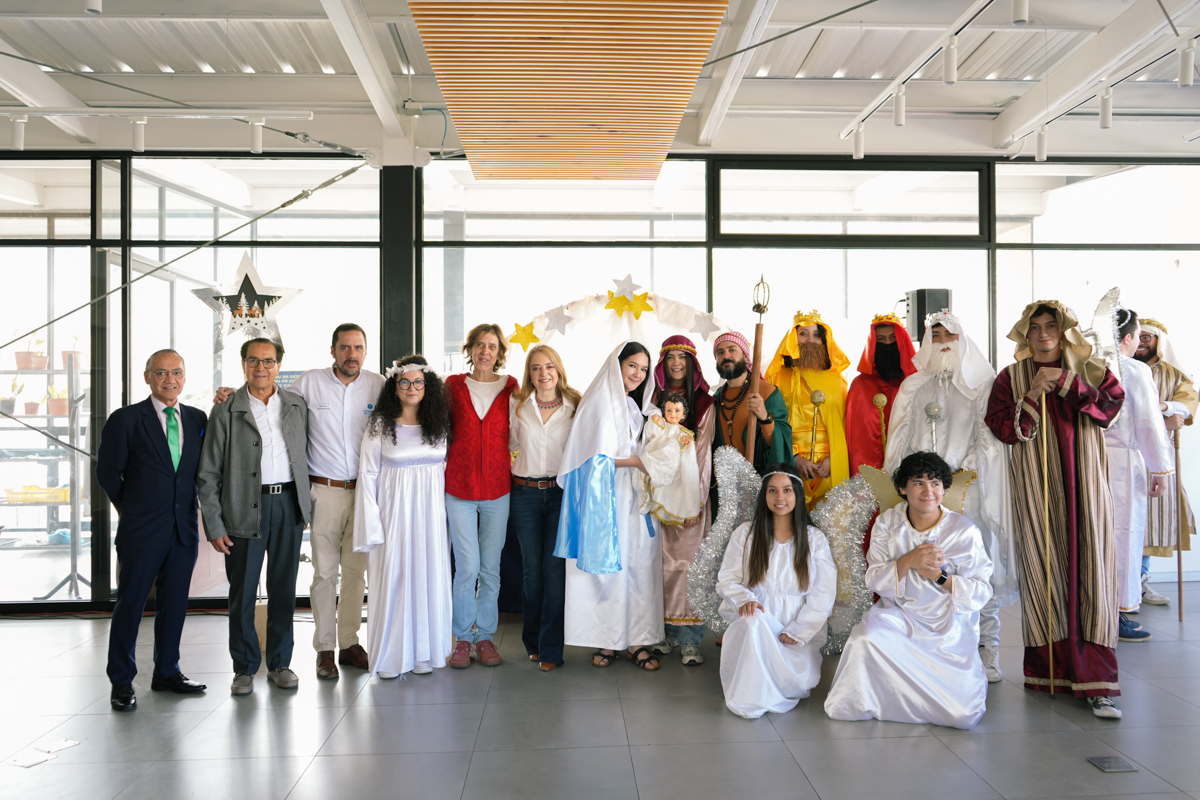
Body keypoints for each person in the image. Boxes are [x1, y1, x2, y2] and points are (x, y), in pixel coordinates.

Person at [215, 324, 384, 679]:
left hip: (366, 493)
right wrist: (230, 393)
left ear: (365, 351)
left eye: (358, 347)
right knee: (324, 574)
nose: (351, 354)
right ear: (333, 350)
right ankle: (325, 649)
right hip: (323, 491)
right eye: (344, 347)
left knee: (356, 573)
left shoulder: (378, 385)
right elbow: (266, 393)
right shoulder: (309, 383)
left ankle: (350, 642)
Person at [985, 300, 1126, 718]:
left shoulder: (1091, 369)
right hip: (1037, 487)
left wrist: (1067, 382)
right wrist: (1031, 395)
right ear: (1025, 334)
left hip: (1086, 484)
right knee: (1045, 571)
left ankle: (1097, 682)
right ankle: (1052, 672)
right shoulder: (1010, 377)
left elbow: (1110, 411)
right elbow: (1004, 429)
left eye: (1051, 325)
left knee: (1092, 573)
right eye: (1035, 327)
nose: (1044, 333)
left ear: (1064, 331)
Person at [883, 311, 1016, 683]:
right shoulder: (913, 385)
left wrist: (962, 472)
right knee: (924, 563)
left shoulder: (982, 384)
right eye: (936, 335)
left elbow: (988, 440)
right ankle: (927, 644)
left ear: (962, 339)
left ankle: (986, 647)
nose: (942, 341)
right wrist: (905, 479)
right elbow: (899, 440)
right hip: (922, 496)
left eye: (949, 335)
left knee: (974, 567)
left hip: (967, 490)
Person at [825, 452, 994, 730]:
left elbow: (982, 590)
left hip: (947, 626)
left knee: (963, 715)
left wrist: (940, 577)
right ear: (903, 488)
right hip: (900, 616)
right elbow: (874, 579)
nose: (928, 492)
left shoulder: (964, 531)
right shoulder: (888, 524)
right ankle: (886, 700)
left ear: (944, 488)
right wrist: (907, 561)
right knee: (864, 638)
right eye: (918, 483)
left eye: (935, 483)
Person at [198, 338, 312, 696]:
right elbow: (208, 473)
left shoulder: (296, 405)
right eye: (253, 361)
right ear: (243, 364)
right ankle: (244, 667)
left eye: (268, 361)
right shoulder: (226, 409)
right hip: (243, 507)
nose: (260, 367)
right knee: (243, 593)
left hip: (288, 506)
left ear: (278, 365)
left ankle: (280, 663)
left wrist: (306, 507)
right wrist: (214, 524)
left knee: (284, 590)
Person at [97, 349, 208, 711]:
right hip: (141, 530)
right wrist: (130, 509)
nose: (169, 379)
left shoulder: (197, 418)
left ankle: (167, 672)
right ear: (147, 377)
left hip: (183, 529)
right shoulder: (126, 419)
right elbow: (107, 473)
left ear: (184, 376)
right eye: (161, 373)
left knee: (174, 605)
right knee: (130, 605)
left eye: (176, 372)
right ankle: (121, 680)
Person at [555, 341, 665, 671]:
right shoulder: (597, 403)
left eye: (644, 369)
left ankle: (637, 639)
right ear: (617, 365)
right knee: (612, 572)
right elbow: (591, 457)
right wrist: (639, 462)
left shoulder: (635, 406)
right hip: (605, 498)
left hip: (636, 496)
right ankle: (608, 639)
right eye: (632, 365)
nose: (638, 373)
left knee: (640, 566)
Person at [353, 356, 453, 677]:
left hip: (430, 516)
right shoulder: (380, 426)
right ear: (394, 387)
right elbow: (367, 474)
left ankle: (423, 653)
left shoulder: (438, 425)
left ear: (428, 386)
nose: (412, 387)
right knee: (394, 579)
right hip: (392, 514)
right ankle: (391, 658)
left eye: (418, 382)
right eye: (405, 382)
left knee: (427, 576)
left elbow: (444, 471)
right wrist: (371, 523)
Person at [716, 464, 836, 719]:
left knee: (792, 681)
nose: (780, 497)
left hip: (794, 623)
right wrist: (745, 599)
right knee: (753, 621)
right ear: (764, 495)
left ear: (798, 495)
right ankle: (752, 695)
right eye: (772, 490)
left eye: (787, 490)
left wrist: (799, 631)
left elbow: (823, 593)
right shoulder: (746, 534)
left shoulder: (814, 539)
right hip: (758, 616)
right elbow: (729, 577)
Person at [444, 323, 519, 668]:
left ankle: (485, 636)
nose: (485, 351)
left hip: (497, 489)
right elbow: (438, 430)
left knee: (490, 569)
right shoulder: (452, 386)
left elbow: (519, 434)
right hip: (458, 489)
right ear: (470, 349)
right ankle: (462, 638)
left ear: (499, 352)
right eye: (479, 345)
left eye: (492, 346)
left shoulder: (511, 387)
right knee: (467, 568)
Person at [508, 344, 580, 672]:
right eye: (536, 367)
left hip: (559, 495)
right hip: (523, 493)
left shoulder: (575, 405)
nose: (543, 373)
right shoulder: (517, 405)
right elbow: (509, 443)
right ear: (529, 374)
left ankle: (551, 648)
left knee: (554, 570)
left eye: (549, 366)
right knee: (531, 571)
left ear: (559, 369)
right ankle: (533, 642)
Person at [649, 335, 716, 664]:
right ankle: (663, 634)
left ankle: (690, 639)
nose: (676, 362)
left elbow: (703, 455)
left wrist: (696, 500)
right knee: (660, 566)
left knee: (690, 566)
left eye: (683, 357)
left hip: (690, 497)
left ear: (692, 363)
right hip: (657, 498)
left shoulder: (704, 403)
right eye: (671, 357)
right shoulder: (652, 399)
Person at [1105, 310, 1172, 636]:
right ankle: (1117, 613)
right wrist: (1159, 468)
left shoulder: (1086, 366)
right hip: (1122, 464)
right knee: (1123, 535)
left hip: (1087, 461)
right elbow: (1148, 421)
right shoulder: (1133, 369)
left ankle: (1090, 612)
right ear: (1129, 337)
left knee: (1092, 536)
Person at [1135, 317, 1198, 606]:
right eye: (1138, 337)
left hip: (1159, 456)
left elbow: (1187, 405)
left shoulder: (1174, 374)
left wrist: (1164, 406)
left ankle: (1140, 581)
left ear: (1159, 341)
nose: (1141, 343)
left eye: (1147, 338)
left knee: (1151, 520)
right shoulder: (1119, 369)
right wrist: (1164, 421)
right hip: (1124, 452)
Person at [765, 310, 850, 510]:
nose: (810, 340)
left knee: (831, 520)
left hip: (828, 467)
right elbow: (770, 424)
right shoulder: (776, 378)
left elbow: (845, 426)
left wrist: (833, 457)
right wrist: (794, 458)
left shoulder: (837, 381)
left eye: (816, 335)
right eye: (803, 334)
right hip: (789, 462)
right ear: (792, 340)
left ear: (824, 341)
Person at [711, 331, 793, 473]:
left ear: (745, 355)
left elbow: (782, 443)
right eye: (720, 352)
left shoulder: (767, 392)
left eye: (732, 350)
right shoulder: (717, 397)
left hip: (758, 477)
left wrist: (765, 417)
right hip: (724, 480)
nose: (726, 356)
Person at [844, 313, 916, 475]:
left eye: (893, 337)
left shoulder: (915, 382)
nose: (888, 343)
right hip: (869, 470)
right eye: (881, 339)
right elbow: (855, 439)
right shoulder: (860, 385)